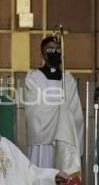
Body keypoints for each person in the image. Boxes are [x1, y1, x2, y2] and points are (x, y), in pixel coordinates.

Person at [24, 36, 83, 174]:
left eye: (57, 49)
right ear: (42, 54)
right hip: (43, 141)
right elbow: (34, 110)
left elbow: (75, 111)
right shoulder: (33, 77)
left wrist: (64, 115)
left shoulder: (68, 78)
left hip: (65, 139)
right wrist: (61, 109)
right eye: (50, 49)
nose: (54, 52)